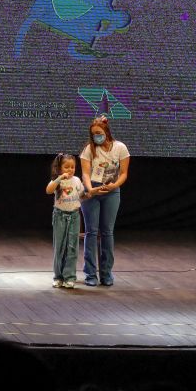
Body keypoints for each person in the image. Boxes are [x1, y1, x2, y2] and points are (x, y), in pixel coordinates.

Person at [79, 116, 130, 286]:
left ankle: (107, 273)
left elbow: (123, 173)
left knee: (107, 232)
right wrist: (90, 189)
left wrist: (114, 185)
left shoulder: (120, 148)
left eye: (99, 133)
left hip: (111, 191)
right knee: (91, 232)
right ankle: (90, 274)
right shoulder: (89, 149)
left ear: (107, 132)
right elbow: (85, 173)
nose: (96, 137)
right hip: (92, 190)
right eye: (94, 134)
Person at [46, 153, 89, 289]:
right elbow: (48, 190)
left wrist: (89, 194)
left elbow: (81, 195)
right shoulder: (57, 181)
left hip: (74, 216)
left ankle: (69, 276)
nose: (70, 170)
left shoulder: (76, 180)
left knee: (72, 247)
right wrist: (59, 178)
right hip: (60, 216)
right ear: (59, 168)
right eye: (66, 167)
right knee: (60, 247)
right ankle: (58, 277)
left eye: (73, 167)